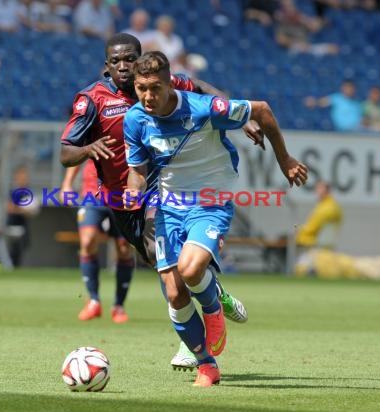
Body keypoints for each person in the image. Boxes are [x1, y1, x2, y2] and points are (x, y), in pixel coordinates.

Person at [60, 33, 260, 371]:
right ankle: (215, 296)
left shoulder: (158, 85)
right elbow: (65, 152)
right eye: (116, 61)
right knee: (159, 264)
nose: (124, 66)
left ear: (141, 60)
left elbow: (199, 87)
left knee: (170, 263)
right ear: (106, 65)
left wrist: (244, 117)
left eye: (130, 59)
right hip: (122, 200)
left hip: (162, 189)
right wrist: (86, 150)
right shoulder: (92, 99)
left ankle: (194, 341)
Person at [122, 51, 308, 386]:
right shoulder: (135, 119)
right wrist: (132, 189)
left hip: (210, 201)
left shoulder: (203, 108)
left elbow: (262, 110)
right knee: (175, 292)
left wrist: (285, 159)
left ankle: (213, 309)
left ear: (169, 83)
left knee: (192, 270)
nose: (148, 96)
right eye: (141, 88)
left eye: (154, 88)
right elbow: (136, 171)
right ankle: (206, 365)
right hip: (168, 206)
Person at [60, 161, 134, 323]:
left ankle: (118, 306)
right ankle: (93, 301)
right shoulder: (92, 134)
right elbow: (76, 150)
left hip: (122, 193)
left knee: (123, 248)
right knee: (87, 241)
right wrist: (67, 183)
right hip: (92, 193)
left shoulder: (129, 134)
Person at [295, 181, 343, 249]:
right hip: (322, 246)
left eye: (319, 188)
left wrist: (298, 230)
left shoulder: (326, 208)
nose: (317, 191)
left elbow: (311, 228)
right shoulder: (331, 206)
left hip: (313, 246)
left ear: (326, 190)